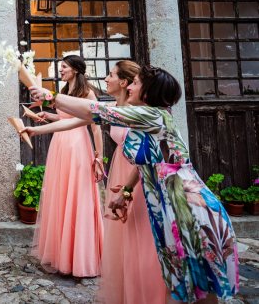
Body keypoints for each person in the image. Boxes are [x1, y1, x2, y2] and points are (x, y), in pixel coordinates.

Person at [29, 66, 240, 304]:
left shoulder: (152, 115)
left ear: (148, 92)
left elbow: (94, 110)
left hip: (184, 205)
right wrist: (127, 191)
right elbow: (146, 162)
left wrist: (50, 97)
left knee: (195, 286)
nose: (129, 86)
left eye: (135, 83)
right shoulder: (148, 116)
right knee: (187, 282)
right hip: (171, 202)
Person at [22, 60, 165, 303]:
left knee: (140, 231)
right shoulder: (121, 106)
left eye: (110, 75)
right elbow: (79, 120)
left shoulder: (142, 112)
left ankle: (147, 290)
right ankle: (127, 288)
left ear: (124, 82)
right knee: (123, 232)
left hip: (137, 175)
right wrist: (38, 130)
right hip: (124, 170)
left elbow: (93, 113)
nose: (105, 79)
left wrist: (50, 96)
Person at [28, 55, 104, 277]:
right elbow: (65, 119)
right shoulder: (64, 91)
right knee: (61, 195)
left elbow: (96, 126)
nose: (60, 70)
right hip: (60, 144)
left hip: (78, 145)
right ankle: (63, 254)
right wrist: (48, 115)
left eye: (64, 67)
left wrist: (98, 157)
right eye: (60, 66)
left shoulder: (87, 93)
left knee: (77, 196)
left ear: (76, 70)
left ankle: (81, 258)